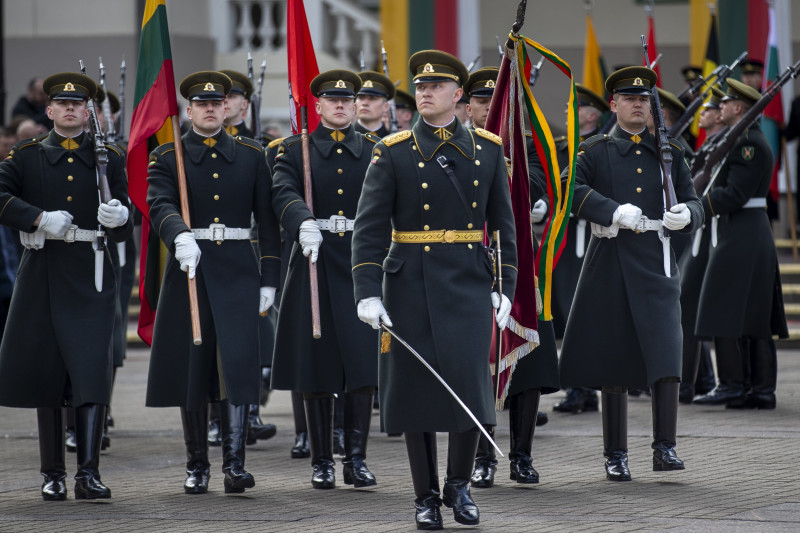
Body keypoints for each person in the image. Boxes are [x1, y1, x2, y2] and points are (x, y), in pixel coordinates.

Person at [352, 50, 517, 529]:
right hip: (409, 283)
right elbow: (369, 226)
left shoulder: (488, 149)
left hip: (467, 280)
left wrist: (503, 287)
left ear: (458, 95)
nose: (424, 93)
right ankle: (425, 496)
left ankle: (459, 485)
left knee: (468, 384)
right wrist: (367, 289)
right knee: (416, 392)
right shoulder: (394, 150)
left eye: (437, 86)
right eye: (420, 87)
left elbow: (502, 225)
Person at [558, 67, 703, 482]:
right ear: (614, 105)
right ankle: (616, 454)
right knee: (614, 357)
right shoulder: (596, 150)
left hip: (657, 260)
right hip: (612, 258)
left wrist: (686, 215)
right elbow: (570, 189)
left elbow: (695, 201)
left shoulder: (670, 150)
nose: (638, 104)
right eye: (629, 98)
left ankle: (665, 447)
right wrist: (611, 210)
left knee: (666, 350)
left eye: (644, 99)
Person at [145, 71, 281, 495]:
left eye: (215, 103)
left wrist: (270, 278)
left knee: (238, 368)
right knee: (194, 368)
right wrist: (178, 233)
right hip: (191, 269)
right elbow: (159, 202)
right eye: (200, 104)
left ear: (227, 108)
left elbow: (269, 222)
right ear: (188, 111)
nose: (208, 108)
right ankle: (197, 464)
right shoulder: (169, 157)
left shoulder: (252, 154)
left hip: (240, 269)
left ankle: (235, 465)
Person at [0, 72, 133, 500]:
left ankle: (88, 473)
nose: (71, 109)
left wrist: (121, 218)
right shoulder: (27, 155)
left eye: (79, 104)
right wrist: (37, 218)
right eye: (63, 104)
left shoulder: (108, 155)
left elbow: (124, 217)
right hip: (45, 272)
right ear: (50, 110)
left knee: (92, 371)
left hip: (92, 270)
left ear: (88, 110)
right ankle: (53, 473)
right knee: (48, 374)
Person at [270, 69, 381, 490]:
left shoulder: (375, 149)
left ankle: (355, 459)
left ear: (355, 105)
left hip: (359, 261)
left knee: (361, 365)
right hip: (313, 257)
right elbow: (281, 191)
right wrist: (302, 221)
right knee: (315, 367)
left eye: (347, 99)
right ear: (316, 105)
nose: (339, 105)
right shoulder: (295, 150)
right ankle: (322, 461)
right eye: (331, 99)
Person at [462, 66, 559, 491]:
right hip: (468, 264)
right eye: (482, 102)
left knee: (528, 364)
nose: (489, 108)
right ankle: (484, 457)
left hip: (521, 267)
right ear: (468, 107)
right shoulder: (456, 144)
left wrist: (508, 165)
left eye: (495, 101)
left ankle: (521, 455)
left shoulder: (530, 145)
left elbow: (537, 183)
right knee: (476, 364)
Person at [692, 79, 788, 409]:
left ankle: (748, 387)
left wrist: (695, 207)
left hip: (743, 232)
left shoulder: (749, 144)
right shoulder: (739, 140)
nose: (719, 109)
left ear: (738, 108)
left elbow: (734, 194)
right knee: (744, 313)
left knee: (747, 313)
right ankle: (748, 387)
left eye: (724, 104)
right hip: (737, 232)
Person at [549, 83, 608, 415]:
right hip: (568, 237)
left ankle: (584, 387)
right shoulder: (565, 146)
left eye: (574, 109)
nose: (567, 114)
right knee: (567, 312)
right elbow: (556, 182)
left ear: (590, 114)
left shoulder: (603, 146)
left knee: (581, 314)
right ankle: (579, 387)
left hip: (591, 234)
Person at [677, 87, 726, 404]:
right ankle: (700, 379)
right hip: (697, 230)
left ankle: (697, 381)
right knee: (688, 307)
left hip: (707, 232)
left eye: (708, 110)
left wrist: (694, 208)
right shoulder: (709, 145)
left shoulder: (728, 145)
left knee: (692, 306)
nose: (703, 115)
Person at [355, 71, 395, 137]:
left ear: (386, 106)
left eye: (372, 98)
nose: (365, 103)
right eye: (361, 98)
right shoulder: (343, 138)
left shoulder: (393, 140)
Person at [219, 69, 254, 139]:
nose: (225, 100)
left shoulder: (261, 142)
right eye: (221, 96)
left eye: (231, 96)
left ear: (244, 104)